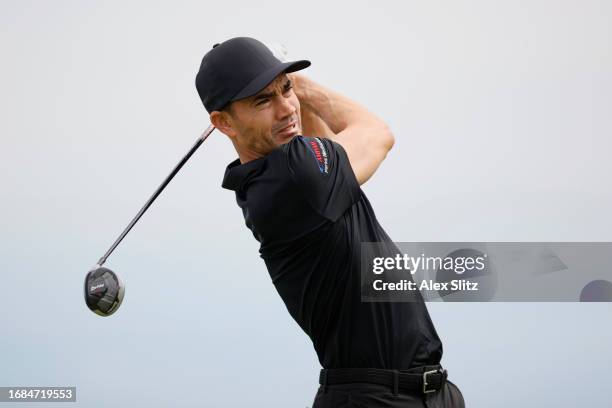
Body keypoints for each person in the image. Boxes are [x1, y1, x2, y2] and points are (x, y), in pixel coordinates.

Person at [195, 36, 465, 408]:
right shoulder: (295, 176)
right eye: (263, 100)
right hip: (375, 400)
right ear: (223, 122)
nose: (286, 108)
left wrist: (287, 91)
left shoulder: (288, 176)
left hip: (421, 393)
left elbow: (327, 143)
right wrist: (304, 88)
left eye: (285, 89)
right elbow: (376, 135)